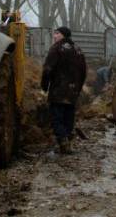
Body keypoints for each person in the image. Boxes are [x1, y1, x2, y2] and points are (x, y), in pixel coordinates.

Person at [41, 26, 87, 154]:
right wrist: (78, 88)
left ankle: (63, 142)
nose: (54, 36)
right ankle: (68, 141)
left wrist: (44, 86)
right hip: (72, 93)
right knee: (68, 118)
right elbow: (83, 72)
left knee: (57, 118)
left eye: (57, 34)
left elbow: (48, 69)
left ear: (63, 35)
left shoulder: (56, 48)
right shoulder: (78, 50)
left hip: (58, 92)